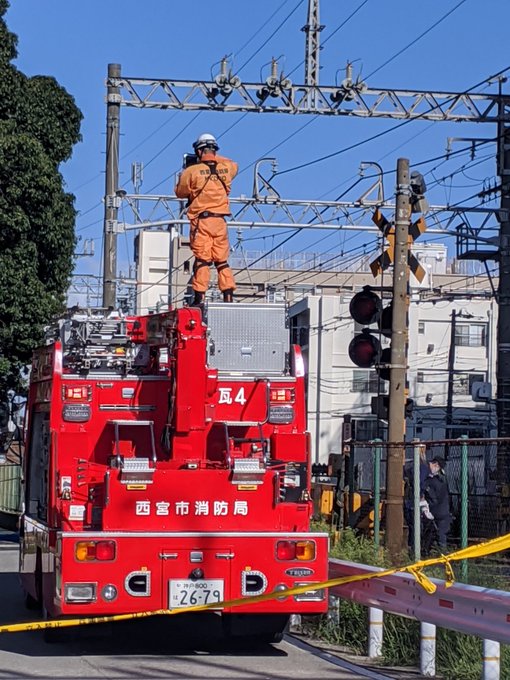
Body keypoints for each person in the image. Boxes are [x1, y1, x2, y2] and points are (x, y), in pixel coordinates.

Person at [175, 133, 238, 306]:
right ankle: (228, 295)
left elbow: (180, 192)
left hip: (202, 221)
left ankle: (199, 297)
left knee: (202, 259)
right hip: (220, 222)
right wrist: (214, 156)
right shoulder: (226, 168)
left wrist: (195, 162)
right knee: (221, 260)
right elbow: (234, 164)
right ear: (215, 150)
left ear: (198, 150)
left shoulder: (191, 171)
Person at [422, 456, 451, 553]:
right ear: (436, 465)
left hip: (435, 511)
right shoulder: (439, 481)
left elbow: (432, 498)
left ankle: (426, 551)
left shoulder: (430, 480)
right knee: (440, 534)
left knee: (431, 533)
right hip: (441, 512)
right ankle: (442, 554)